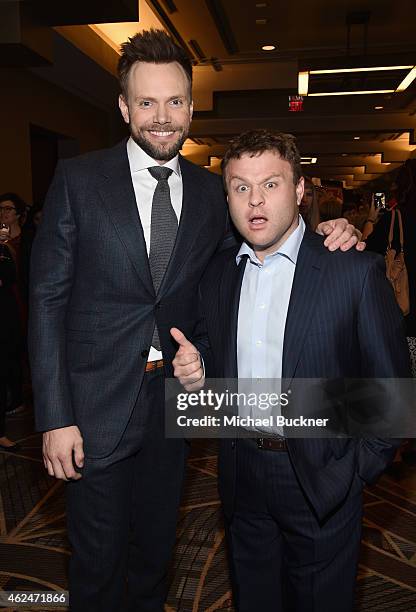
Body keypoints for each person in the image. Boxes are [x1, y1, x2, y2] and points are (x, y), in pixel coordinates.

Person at [29, 30, 364, 612]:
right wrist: (56, 415)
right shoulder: (79, 181)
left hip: (173, 410)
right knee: (97, 567)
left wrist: (335, 232)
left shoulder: (216, 194)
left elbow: (264, 244)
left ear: (191, 105)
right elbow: (47, 300)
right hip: (91, 409)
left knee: (156, 558)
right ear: (124, 106)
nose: (163, 118)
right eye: (148, 102)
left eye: (176, 102)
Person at [172, 130, 410, 612]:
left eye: (271, 184)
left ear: (300, 191)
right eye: (241, 187)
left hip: (323, 477)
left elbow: (395, 398)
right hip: (242, 475)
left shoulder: (350, 271)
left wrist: (351, 473)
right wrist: (198, 376)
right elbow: (216, 360)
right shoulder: (219, 274)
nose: (255, 201)